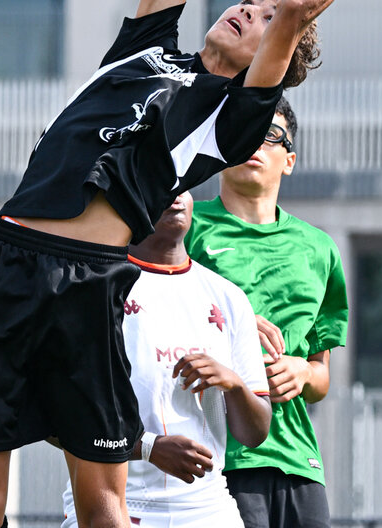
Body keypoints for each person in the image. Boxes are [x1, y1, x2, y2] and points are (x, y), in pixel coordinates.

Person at [0, 0, 382, 528]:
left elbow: (300, 6)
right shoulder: (145, 52)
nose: (249, 10)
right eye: (248, 2)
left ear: (273, 59)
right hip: (7, 259)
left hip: (90, 284)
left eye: (264, 19)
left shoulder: (231, 122)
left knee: (102, 507)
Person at [59, 191, 271, 527]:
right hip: (114, 507)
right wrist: (147, 447)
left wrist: (234, 385)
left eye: (182, 185)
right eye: (162, 183)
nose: (175, 195)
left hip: (208, 507)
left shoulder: (228, 297)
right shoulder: (89, 289)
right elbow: (54, 418)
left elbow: (255, 433)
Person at [186, 98, 348, 528]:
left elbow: (321, 377)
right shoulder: (185, 227)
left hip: (299, 461)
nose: (255, 142)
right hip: (216, 458)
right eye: (244, 130)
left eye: (271, 135)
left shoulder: (320, 249)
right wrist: (231, 322)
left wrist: (303, 371)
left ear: (289, 160)